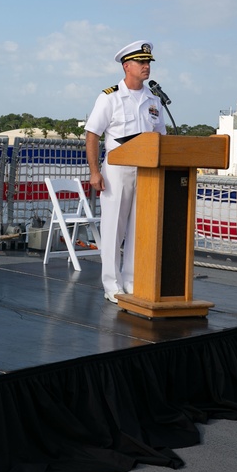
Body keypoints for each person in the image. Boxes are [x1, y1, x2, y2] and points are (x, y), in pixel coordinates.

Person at [84, 41, 167, 304]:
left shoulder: (154, 99)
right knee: (113, 229)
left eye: (149, 63)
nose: (146, 67)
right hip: (117, 170)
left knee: (138, 229)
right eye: (141, 63)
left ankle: (131, 280)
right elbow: (92, 134)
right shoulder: (110, 96)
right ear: (126, 66)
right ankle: (112, 284)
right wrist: (94, 171)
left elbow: (161, 137)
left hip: (147, 172)